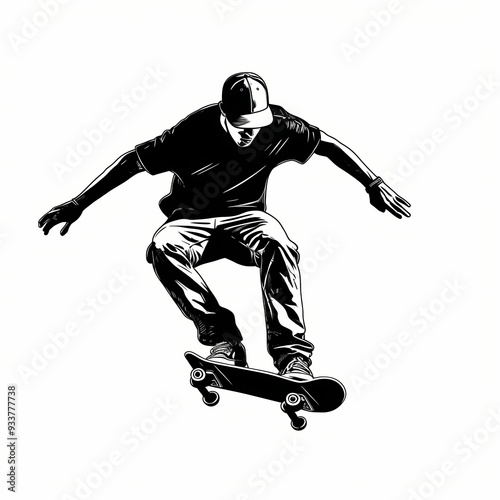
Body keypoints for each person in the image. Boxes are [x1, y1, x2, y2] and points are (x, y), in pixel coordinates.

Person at [39, 72, 411, 381]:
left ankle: (292, 356)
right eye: (241, 127)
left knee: (278, 241)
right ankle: (223, 337)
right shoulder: (192, 130)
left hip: (246, 219)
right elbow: (131, 163)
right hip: (193, 220)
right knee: (162, 245)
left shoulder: (280, 126)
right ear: (224, 114)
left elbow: (329, 146)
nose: (251, 134)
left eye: (256, 126)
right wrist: (78, 204)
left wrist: (373, 183)